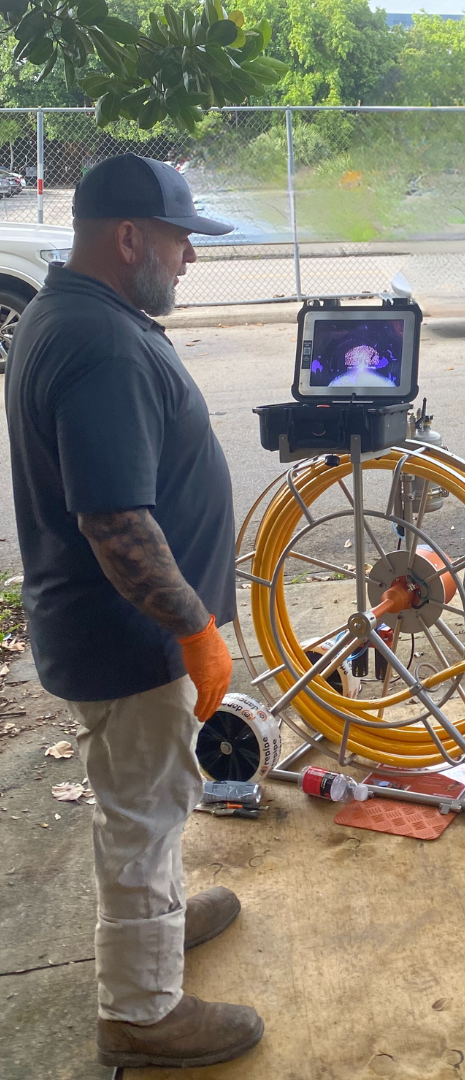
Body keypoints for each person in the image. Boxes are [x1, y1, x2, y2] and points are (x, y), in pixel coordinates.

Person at [5, 154, 264, 1070]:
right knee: (140, 815)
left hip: (112, 635)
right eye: (179, 240)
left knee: (148, 800)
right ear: (128, 238)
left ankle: (154, 925)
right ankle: (141, 1011)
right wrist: (194, 632)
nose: (189, 259)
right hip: (131, 641)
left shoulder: (68, 311)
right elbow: (115, 521)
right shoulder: (100, 341)